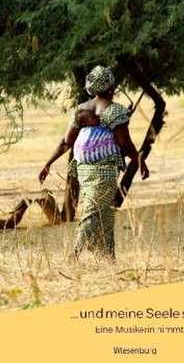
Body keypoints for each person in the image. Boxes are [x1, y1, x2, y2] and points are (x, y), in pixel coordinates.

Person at [38, 65, 149, 260]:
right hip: (103, 171)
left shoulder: (82, 110)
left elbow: (66, 142)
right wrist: (140, 161)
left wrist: (48, 163)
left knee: (104, 214)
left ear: (91, 87)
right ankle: (74, 255)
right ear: (111, 87)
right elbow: (125, 144)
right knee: (92, 212)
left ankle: (107, 258)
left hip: (83, 170)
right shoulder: (115, 111)